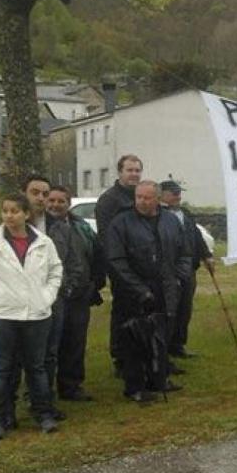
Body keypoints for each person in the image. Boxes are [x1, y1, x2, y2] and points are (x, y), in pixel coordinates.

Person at [0, 192, 62, 440]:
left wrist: (47, 296)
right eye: (5, 211)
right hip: (2, 316)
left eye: (14, 211)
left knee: (37, 368)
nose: (9, 216)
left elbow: (56, 271)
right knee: (3, 368)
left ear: (26, 214)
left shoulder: (43, 242)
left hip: (37, 315)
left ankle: (44, 415)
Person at [104, 181, 191, 402]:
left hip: (166, 287)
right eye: (139, 197)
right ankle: (135, 387)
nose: (142, 201)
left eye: (147, 197)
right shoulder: (121, 222)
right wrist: (139, 289)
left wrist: (179, 278)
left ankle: (159, 378)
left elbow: (184, 252)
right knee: (135, 338)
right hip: (133, 292)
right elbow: (116, 260)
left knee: (161, 335)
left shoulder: (170, 221)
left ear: (157, 198)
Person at [14, 176, 81, 420]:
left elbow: (73, 263)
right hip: (19, 302)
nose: (41, 198)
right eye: (35, 192)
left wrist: (65, 290)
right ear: (24, 193)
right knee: (20, 354)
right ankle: (13, 403)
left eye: (45, 193)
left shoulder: (60, 227)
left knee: (49, 353)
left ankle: (43, 401)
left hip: (54, 301)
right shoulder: (10, 225)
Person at [47, 185, 102, 401]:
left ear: (69, 204)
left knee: (75, 342)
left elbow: (97, 254)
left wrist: (95, 283)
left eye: (61, 201)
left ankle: (71, 386)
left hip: (79, 293)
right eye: (51, 200)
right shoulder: (39, 227)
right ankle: (42, 391)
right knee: (48, 346)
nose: (55, 205)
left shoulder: (82, 227)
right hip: (51, 296)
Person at [97, 154, 143, 373]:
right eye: (130, 170)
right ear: (120, 172)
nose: (134, 174)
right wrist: (117, 267)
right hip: (122, 267)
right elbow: (107, 238)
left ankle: (143, 355)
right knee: (123, 312)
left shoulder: (141, 196)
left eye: (137, 170)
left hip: (143, 266)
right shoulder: (109, 200)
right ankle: (121, 359)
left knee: (144, 313)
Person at [160, 180, 214, 360]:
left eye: (179, 193)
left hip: (189, 268)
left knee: (185, 308)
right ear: (162, 195)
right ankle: (164, 348)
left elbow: (197, 237)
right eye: (173, 193)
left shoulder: (186, 214)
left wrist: (206, 255)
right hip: (169, 270)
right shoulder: (158, 215)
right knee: (170, 309)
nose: (178, 196)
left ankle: (178, 344)